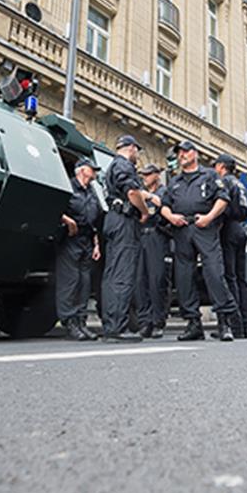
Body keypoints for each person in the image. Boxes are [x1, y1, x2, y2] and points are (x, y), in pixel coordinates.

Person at [160, 141, 237, 342]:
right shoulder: (174, 181)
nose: (182, 155)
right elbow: (164, 205)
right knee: (184, 276)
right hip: (181, 228)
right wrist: (170, 217)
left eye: (185, 151)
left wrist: (209, 217)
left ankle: (224, 323)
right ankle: (193, 323)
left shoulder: (210, 175)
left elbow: (223, 199)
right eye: (179, 153)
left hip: (204, 226)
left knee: (214, 272)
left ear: (195, 153)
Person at [101, 135, 160, 342]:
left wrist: (149, 196)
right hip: (124, 223)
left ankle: (111, 325)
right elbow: (133, 192)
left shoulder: (112, 166)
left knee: (112, 275)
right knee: (123, 275)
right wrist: (144, 211)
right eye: (137, 151)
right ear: (132, 148)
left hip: (113, 220)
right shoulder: (124, 165)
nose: (137, 155)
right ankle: (117, 327)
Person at [55, 158, 102, 341]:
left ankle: (81, 322)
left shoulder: (92, 190)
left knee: (84, 283)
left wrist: (96, 243)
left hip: (87, 240)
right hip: (70, 239)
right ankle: (70, 322)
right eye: (92, 169)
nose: (95, 172)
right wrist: (67, 220)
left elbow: (95, 219)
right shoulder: (67, 185)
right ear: (82, 170)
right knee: (70, 282)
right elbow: (52, 206)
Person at [213, 154, 247, 339]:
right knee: (242, 279)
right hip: (241, 229)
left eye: (216, 165)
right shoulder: (240, 184)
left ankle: (235, 325)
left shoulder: (225, 182)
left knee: (230, 277)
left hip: (228, 229)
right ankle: (246, 326)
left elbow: (223, 204)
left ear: (222, 166)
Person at [134, 163, 171, 338]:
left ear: (157, 175)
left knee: (157, 280)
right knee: (140, 281)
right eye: (143, 175)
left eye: (148, 174)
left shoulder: (164, 193)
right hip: (141, 236)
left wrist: (153, 200)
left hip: (158, 235)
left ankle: (158, 321)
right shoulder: (141, 192)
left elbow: (165, 211)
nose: (145, 178)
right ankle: (144, 321)